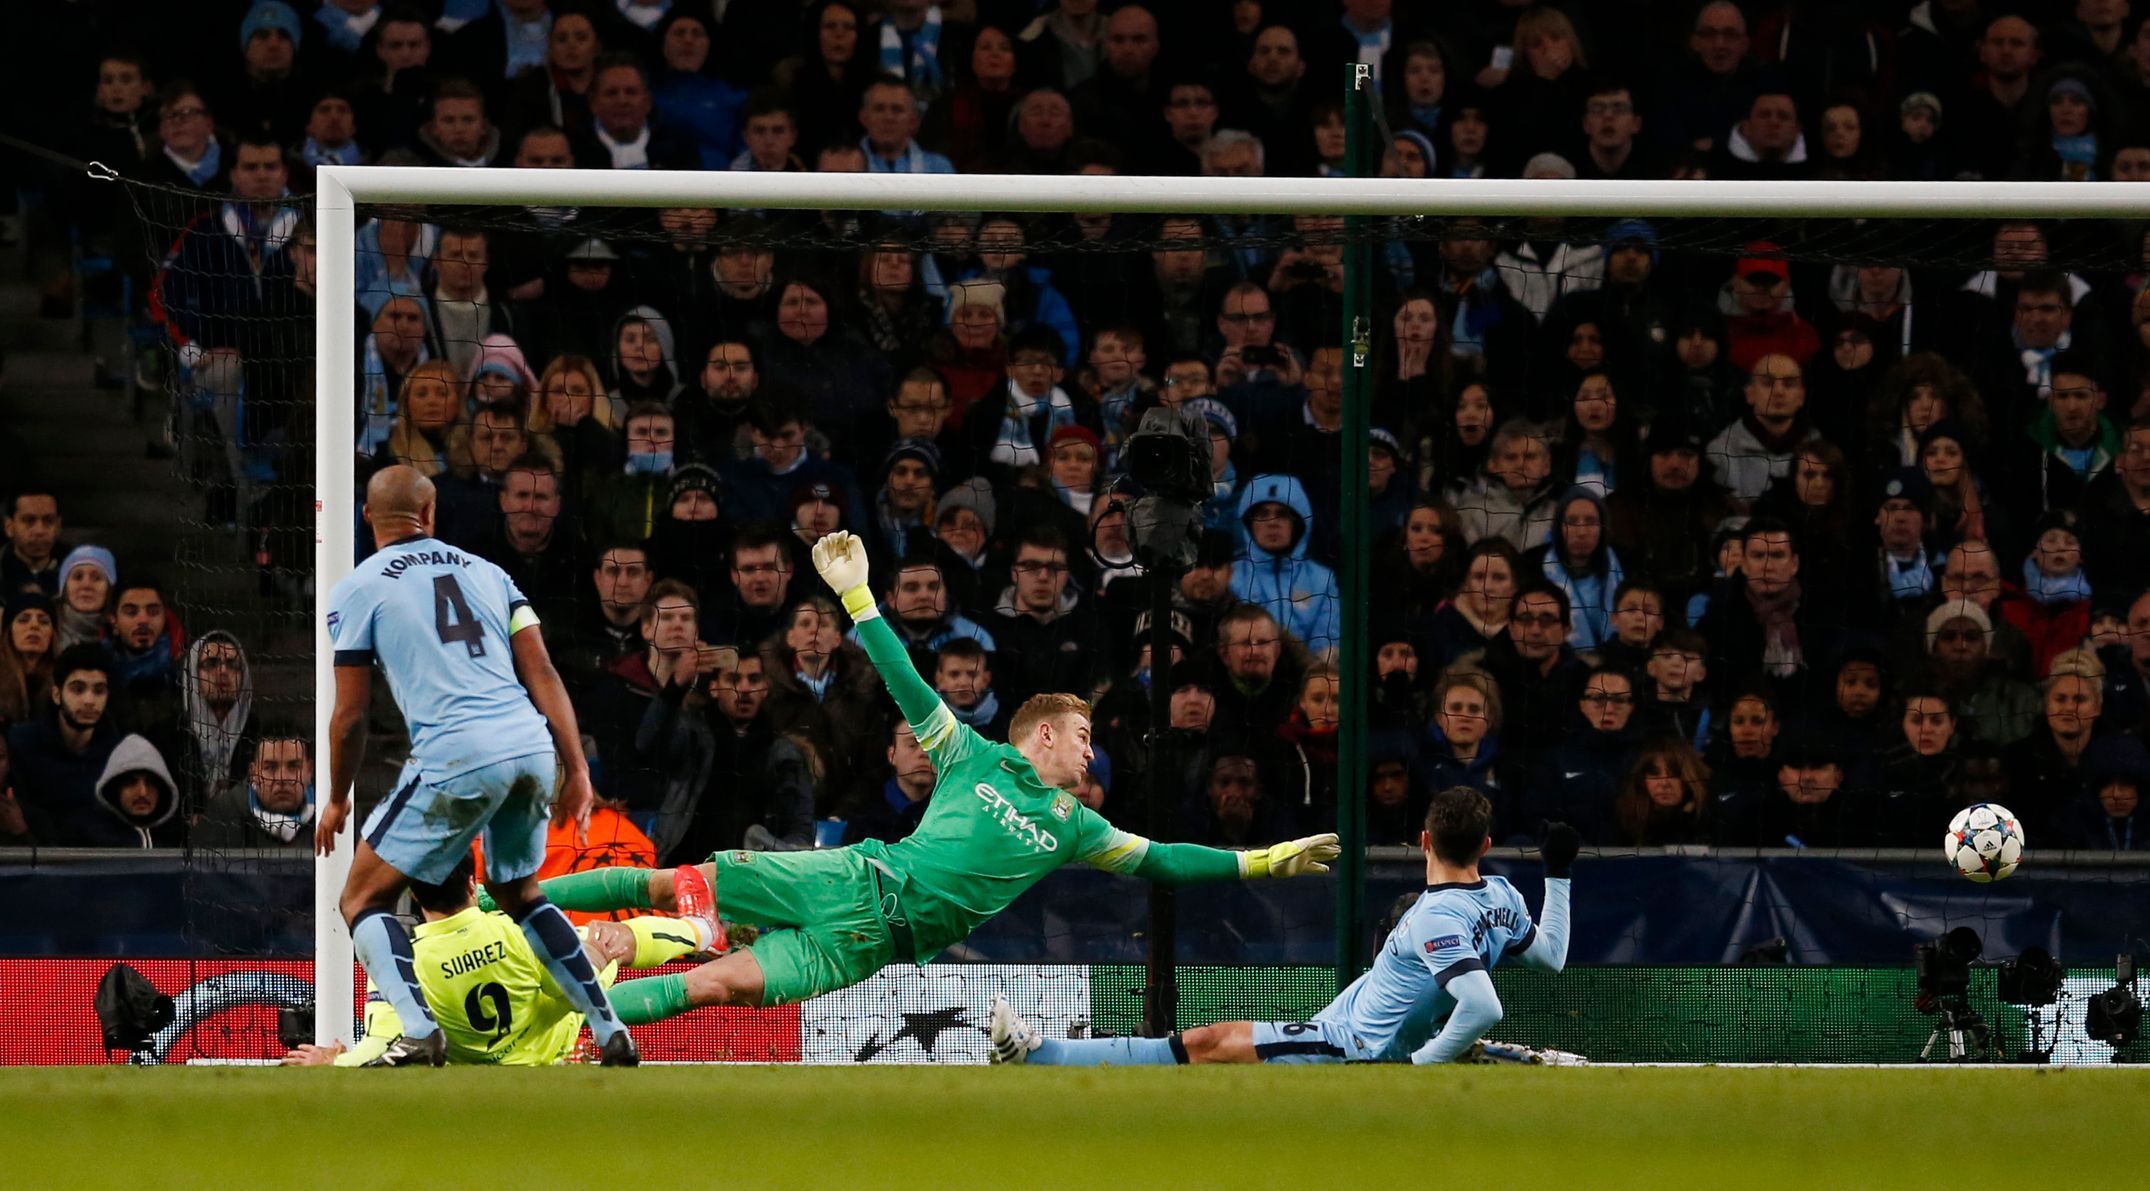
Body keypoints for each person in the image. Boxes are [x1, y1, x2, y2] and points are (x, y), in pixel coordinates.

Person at [477, 530, 1338, 1019]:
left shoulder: (1076, 826)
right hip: (850, 877)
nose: (1090, 753)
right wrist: (858, 597)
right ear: (1042, 733)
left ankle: (566, 1025)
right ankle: (495, 904)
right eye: (1081, 737)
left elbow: (1164, 861)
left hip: (870, 944)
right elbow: (904, 679)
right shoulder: (971, 753)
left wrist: (1261, 861)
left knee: (717, 983)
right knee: (674, 884)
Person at [320, 465, 636, 1066]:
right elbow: (541, 670)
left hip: (457, 751)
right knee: (519, 892)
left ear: (367, 517)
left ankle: (420, 1031)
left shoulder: (358, 588)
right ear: (430, 513)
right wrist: (577, 768)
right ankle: (609, 1028)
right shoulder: (490, 573)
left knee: (361, 899)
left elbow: (351, 714)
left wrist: (337, 798)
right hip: (530, 746)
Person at [991, 787, 1575, 1066]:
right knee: (1212, 1051)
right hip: (1344, 1029)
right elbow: (1550, 956)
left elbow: (1482, 1004)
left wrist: (1418, 1068)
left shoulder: (1437, 916)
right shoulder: (1501, 896)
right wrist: (1558, 874)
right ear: (1487, 845)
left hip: (1353, 1047)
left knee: (1209, 1042)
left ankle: (1043, 1055)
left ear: (1424, 840)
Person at [283, 851, 722, 1066]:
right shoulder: (513, 930)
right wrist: (592, 956)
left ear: (413, 895)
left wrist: (333, 1062)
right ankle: (700, 930)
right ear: (473, 884)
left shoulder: (399, 963)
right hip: (559, 1044)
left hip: (480, 1070)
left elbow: (382, 1044)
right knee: (603, 940)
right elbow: (565, 992)